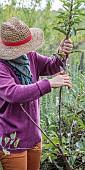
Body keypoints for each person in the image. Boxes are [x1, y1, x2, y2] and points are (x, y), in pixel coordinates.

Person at [0, 17, 73, 170]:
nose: (26, 50)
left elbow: (51, 65)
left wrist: (61, 53)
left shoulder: (29, 56)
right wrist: (48, 84)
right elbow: (13, 93)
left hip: (33, 135)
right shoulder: (2, 67)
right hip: (12, 140)